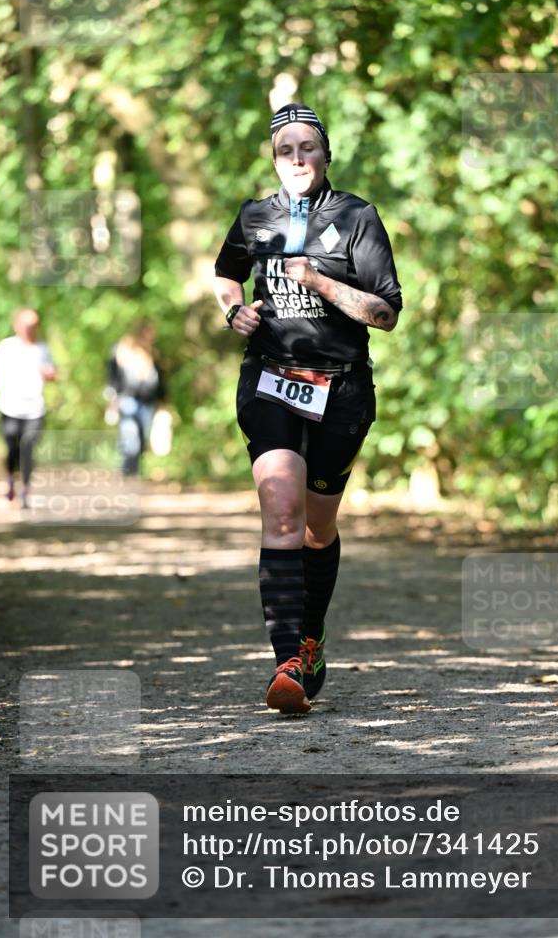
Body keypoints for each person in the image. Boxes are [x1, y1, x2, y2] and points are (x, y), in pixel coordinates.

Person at [213, 102, 402, 714]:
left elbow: (385, 313)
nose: (297, 159)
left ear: (325, 155)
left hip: (342, 390)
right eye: (285, 150)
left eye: (307, 148)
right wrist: (233, 311)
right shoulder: (255, 215)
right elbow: (226, 273)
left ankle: (311, 636)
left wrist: (320, 281)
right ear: (274, 158)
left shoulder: (356, 217)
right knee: (281, 511)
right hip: (269, 378)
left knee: (318, 528)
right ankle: (287, 662)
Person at [0, 308, 57, 509]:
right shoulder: (7, 346)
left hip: (35, 408)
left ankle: (26, 491)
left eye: (34, 325)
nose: (30, 329)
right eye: (27, 325)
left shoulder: (42, 349)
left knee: (28, 449)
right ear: (18, 325)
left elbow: (53, 373)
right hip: (10, 407)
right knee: (12, 448)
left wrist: (49, 374)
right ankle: (11, 479)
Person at [106, 320, 165, 476]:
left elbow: (160, 379)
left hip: (147, 400)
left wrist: (163, 399)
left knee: (141, 436)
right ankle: (128, 469)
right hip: (128, 399)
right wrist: (112, 397)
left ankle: (134, 470)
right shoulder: (122, 350)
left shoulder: (152, 353)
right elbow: (113, 376)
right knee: (129, 434)